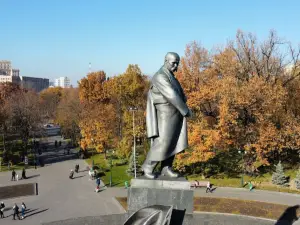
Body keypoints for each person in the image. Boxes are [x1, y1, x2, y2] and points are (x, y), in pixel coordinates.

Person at [142, 52, 192, 179]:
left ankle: (166, 167)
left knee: (173, 142)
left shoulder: (171, 76)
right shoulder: (160, 76)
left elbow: (180, 93)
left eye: (177, 63)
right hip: (165, 114)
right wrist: (185, 110)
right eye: (173, 63)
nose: (176, 66)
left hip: (175, 114)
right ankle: (148, 166)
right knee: (164, 141)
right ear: (165, 61)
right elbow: (171, 95)